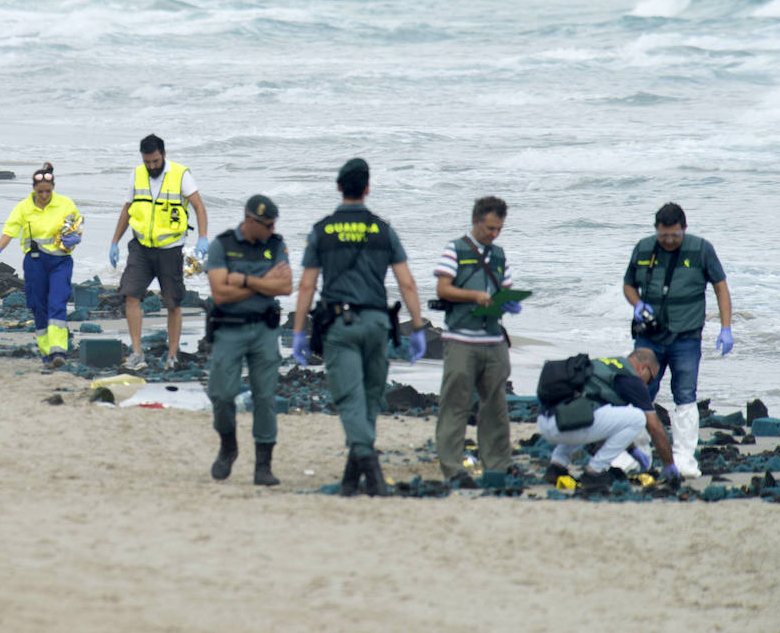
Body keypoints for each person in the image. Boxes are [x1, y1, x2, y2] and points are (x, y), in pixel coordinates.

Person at [291, 157, 426, 496]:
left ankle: (370, 468)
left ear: (339, 187)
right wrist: (420, 327)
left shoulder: (323, 229)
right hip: (378, 323)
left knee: (350, 400)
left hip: (340, 324)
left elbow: (307, 285)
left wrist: (297, 331)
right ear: (367, 188)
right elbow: (407, 283)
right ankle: (353, 480)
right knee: (369, 399)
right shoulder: (383, 229)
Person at [623, 202, 732, 478]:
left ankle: (684, 458)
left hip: (686, 337)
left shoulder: (701, 249)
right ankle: (639, 453)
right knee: (638, 391)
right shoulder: (643, 248)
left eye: (674, 235)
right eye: (663, 235)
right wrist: (637, 305)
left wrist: (725, 327)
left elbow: (720, 286)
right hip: (649, 338)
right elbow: (628, 285)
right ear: (656, 230)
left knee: (685, 395)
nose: (669, 240)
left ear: (684, 229)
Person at [204, 194, 292, 486]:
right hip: (228, 329)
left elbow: (286, 286)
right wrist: (264, 284)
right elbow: (219, 293)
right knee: (221, 394)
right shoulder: (223, 245)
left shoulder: (276, 245)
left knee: (265, 397)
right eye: (266, 224)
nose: (271, 229)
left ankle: (263, 466)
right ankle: (228, 446)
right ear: (250, 221)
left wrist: (242, 280)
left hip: (264, 330)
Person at [432, 195, 520, 487]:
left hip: (493, 340)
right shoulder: (454, 249)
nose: (494, 234)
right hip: (460, 340)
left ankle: (499, 463)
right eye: (490, 228)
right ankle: (452, 466)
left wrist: (508, 303)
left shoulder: (499, 256)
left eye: (499, 229)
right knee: (455, 404)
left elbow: (505, 289)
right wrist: (475, 296)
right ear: (475, 221)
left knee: (496, 405)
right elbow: (443, 289)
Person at [108, 134, 209, 370]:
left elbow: (199, 207)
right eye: (147, 162)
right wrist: (114, 241)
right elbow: (128, 209)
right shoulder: (137, 174)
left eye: (155, 161)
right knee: (130, 295)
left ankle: (172, 355)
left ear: (163, 154)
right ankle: (136, 352)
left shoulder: (181, 175)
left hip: (170, 250)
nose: (151, 166)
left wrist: (202, 237)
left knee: (172, 302)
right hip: (141, 248)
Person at [537, 348, 680, 492]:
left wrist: (632, 450)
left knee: (589, 412)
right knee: (638, 418)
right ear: (643, 368)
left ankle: (557, 466)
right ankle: (595, 471)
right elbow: (654, 426)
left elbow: (607, 425)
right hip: (565, 425)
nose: (648, 385)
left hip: (546, 423)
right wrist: (669, 464)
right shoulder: (630, 378)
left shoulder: (602, 365)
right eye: (651, 379)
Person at [0, 163, 82, 368]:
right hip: (35, 262)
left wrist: (74, 238)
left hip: (61, 262)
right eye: (40, 192)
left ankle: (59, 351)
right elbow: (10, 230)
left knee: (57, 302)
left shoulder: (65, 204)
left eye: (48, 191)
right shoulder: (23, 208)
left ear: (53, 188)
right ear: (33, 189)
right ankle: (46, 353)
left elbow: (76, 227)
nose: (45, 195)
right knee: (38, 306)